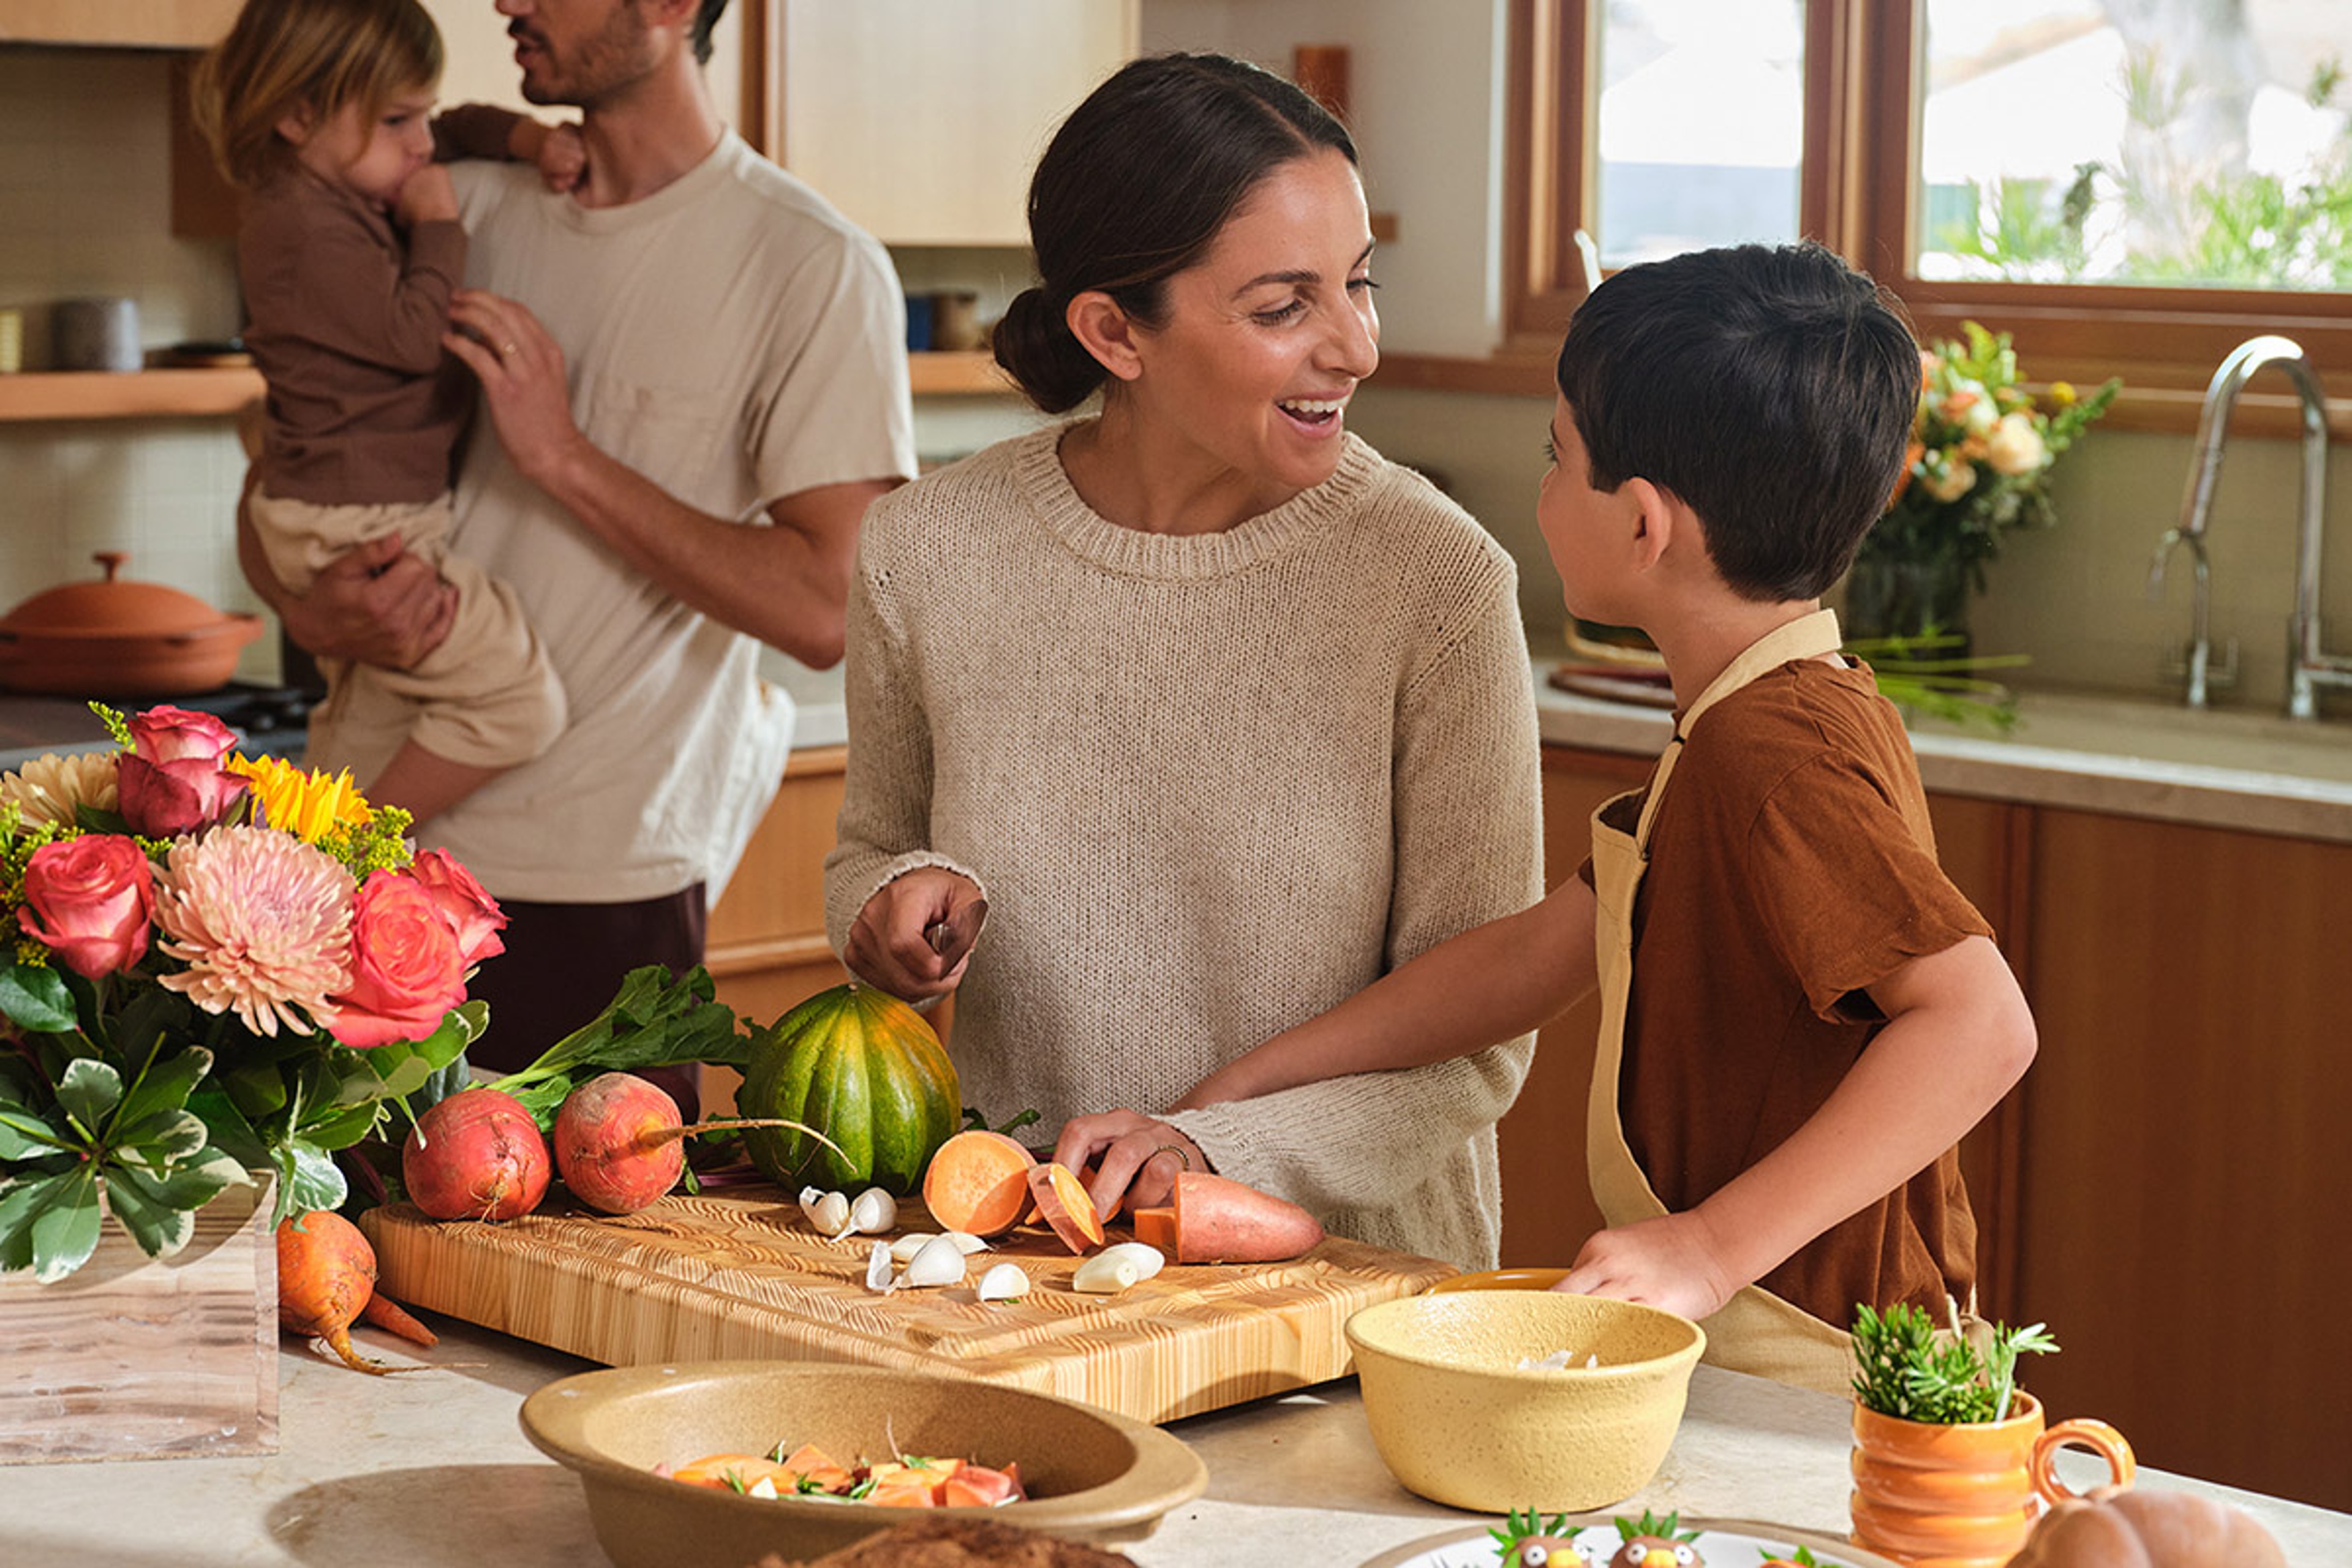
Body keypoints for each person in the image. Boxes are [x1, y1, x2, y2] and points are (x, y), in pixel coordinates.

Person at [1175, 243, 2038, 1392]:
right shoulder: (1750, 716)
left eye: (1556, 456)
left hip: (1813, 1358)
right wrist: (1249, 1085)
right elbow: (1538, 954)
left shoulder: (1772, 752)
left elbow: (1983, 1025)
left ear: (1642, 525)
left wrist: (1707, 1248)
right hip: (1758, 1330)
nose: (1541, 487)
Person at [825, 53, 1544, 1272]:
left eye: (1360, 286)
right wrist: (890, 911)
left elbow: (1476, 1041)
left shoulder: (1436, 581)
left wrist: (1217, 1153)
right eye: (1285, 308)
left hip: (1348, 1295)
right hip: (1026, 1269)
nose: (1357, 347)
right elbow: (868, 851)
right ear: (1114, 331)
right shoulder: (927, 551)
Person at [237, 0, 919, 1072]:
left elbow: (830, 608)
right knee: (326, 1239)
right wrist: (303, 602)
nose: (506, 0)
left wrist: (562, 455)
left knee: (587, 1247)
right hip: (363, 856)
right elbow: (287, 451)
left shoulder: (810, 264)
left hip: (599, 894)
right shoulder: (444, 204)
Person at [195, 0, 588, 827]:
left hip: (340, 504)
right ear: (299, 116)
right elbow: (414, 338)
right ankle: (343, 844)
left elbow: (446, 131)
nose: (422, 142)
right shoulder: (301, 229)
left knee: (365, 714)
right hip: (361, 519)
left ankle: (305, 841)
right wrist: (442, 226)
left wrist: (527, 141)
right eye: (399, 119)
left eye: (422, 112)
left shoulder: (337, 171)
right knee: (518, 699)